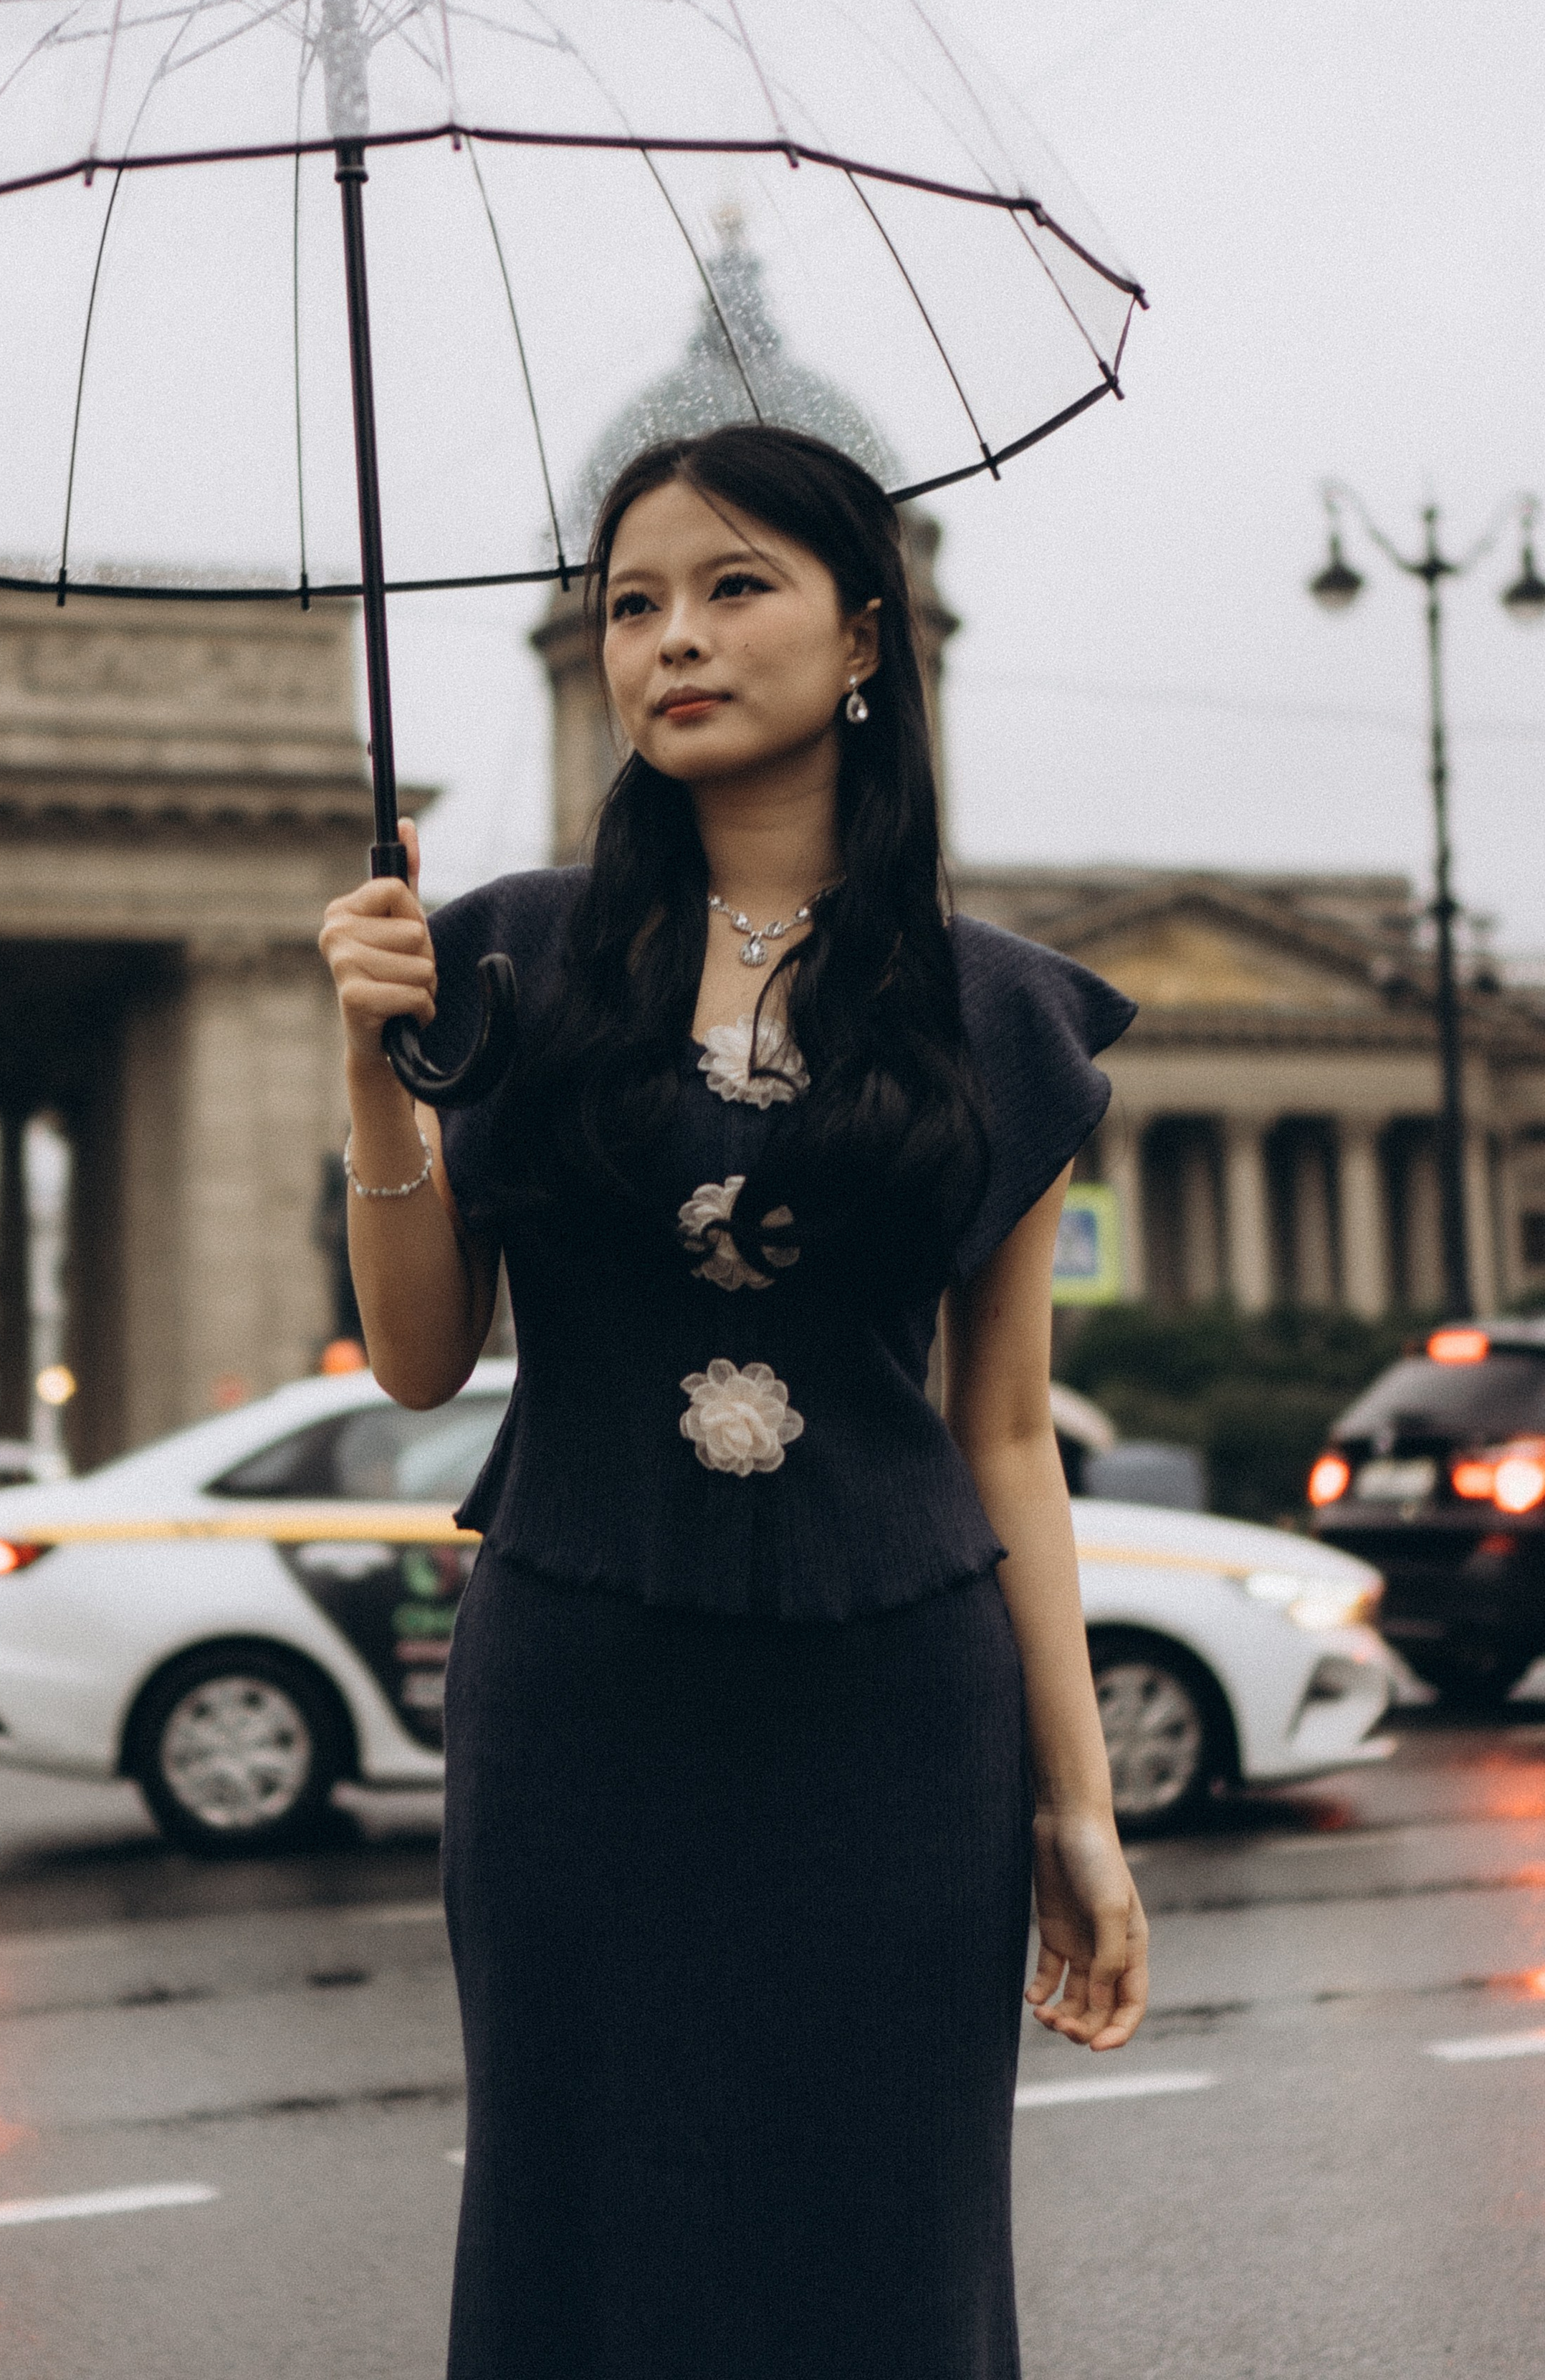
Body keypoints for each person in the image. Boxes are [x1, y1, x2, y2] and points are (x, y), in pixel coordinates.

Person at [320, 425, 1148, 2380]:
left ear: (868, 636)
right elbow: (427, 1358)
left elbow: (1004, 1433)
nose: (670, 640)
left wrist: (1079, 1803)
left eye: (732, 587)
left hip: (892, 1714)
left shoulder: (995, 1009)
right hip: (579, 1696)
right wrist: (376, 1077)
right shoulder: (502, 959)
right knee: (583, 2237)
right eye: (629, 605)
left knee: (882, 2257)